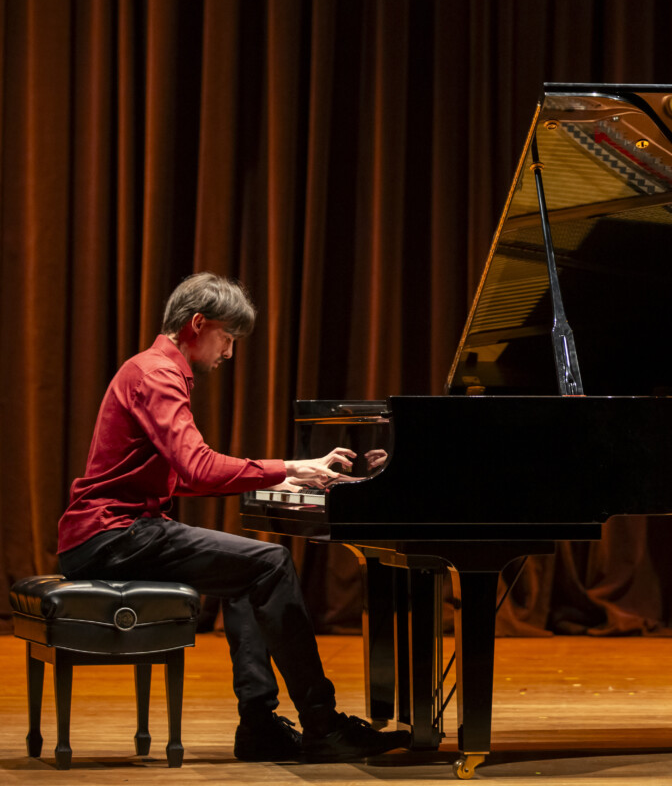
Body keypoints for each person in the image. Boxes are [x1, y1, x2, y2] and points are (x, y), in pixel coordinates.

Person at [57, 272, 409, 763]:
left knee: (250, 572)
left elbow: (177, 476)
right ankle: (322, 724)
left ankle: (260, 725)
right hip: (115, 535)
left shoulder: (153, 369)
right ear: (197, 324)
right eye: (227, 337)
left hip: (116, 531)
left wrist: (277, 480)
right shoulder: (158, 374)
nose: (229, 352)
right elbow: (197, 465)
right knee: (271, 562)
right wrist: (289, 466)